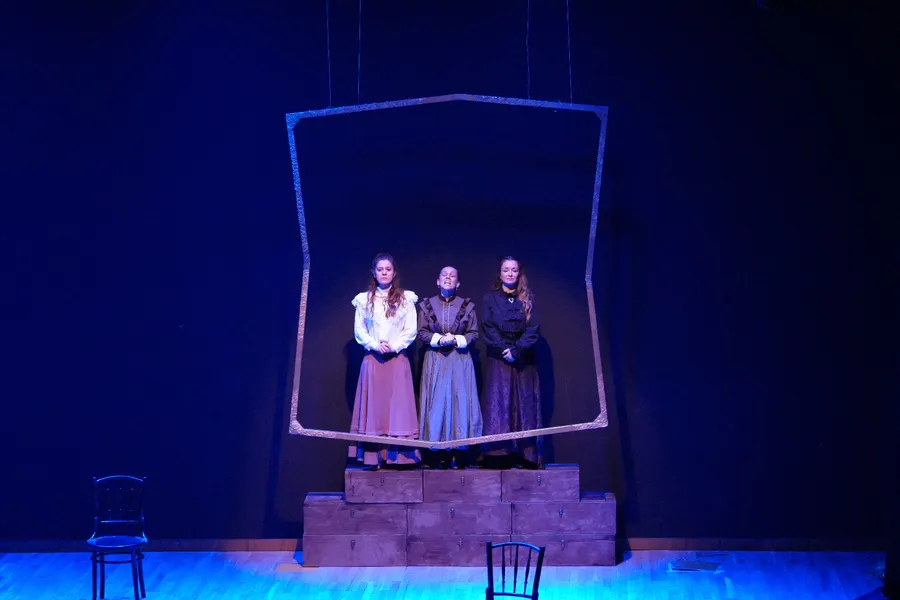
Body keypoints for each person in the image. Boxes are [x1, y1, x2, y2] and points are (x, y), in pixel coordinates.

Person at [348, 253, 420, 468]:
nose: (384, 273)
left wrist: (394, 346)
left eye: (388, 269)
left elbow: (410, 329)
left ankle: (398, 457)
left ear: (394, 272)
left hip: (397, 359)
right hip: (374, 359)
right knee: (375, 410)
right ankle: (374, 457)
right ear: (374, 272)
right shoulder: (364, 300)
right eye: (380, 269)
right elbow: (360, 330)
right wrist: (374, 345)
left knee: (397, 409)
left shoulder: (406, 298)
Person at [479, 256, 542, 469]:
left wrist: (517, 350)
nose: (510, 273)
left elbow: (533, 329)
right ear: (500, 274)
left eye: (514, 270)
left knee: (524, 405)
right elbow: (487, 326)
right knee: (500, 404)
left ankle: (525, 454)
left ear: (519, 273)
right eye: (506, 270)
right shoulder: (490, 298)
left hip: (523, 359)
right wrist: (503, 348)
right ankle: (498, 455)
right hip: (499, 359)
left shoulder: (528, 299)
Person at [417, 266, 483, 468]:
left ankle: (459, 452)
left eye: (452, 275)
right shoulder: (427, 305)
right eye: (444, 275)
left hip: (459, 360)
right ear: (437, 281)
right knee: (436, 404)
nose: (448, 277)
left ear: (458, 283)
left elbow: (473, 333)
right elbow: (421, 332)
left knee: (459, 402)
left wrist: (455, 339)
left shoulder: (467, 306)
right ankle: (436, 454)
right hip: (435, 360)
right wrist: (438, 339)